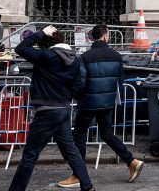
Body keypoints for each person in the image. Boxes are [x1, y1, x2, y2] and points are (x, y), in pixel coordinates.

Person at [9, 25, 94, 191]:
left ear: (44, 42)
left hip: (46, 111)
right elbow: (77, 87)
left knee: (30, 155)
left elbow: (21, 48)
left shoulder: (46, 55)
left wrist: (39, 33)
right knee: (71, 150)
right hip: (63, 108)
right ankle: (87, 186)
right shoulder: (75, 59)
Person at [58, 24, 145, 188]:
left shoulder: (85, 57)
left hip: (87, 103)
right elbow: (120, 82)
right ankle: (131, 161)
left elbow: (81, 82)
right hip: (107, 103)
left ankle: (78, 174)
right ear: (106, 36)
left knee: (80, 136)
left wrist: (77, 96)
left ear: (92, 37)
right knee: (107, 134)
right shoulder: (116, 56)